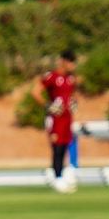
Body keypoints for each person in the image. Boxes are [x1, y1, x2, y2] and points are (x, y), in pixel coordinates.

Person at [42, 50, 78, 193]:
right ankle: (57, 177)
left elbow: (72, 94)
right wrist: (48, 105)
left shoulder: (71, 79)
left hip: (67, 117)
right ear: (63, 61)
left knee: (64, 146)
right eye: (71, 62)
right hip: (55, 118)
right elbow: (36, 91)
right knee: (56, 147)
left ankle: (61, 175)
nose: (73, 66)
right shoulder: (52, 76)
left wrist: (74, 102)